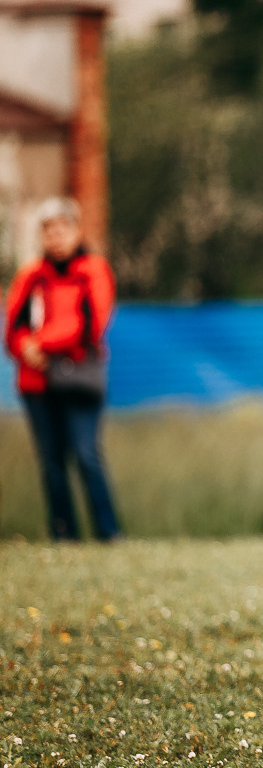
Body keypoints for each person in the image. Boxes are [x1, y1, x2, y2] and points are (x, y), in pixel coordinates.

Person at [3, 197, 122, 541]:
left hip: (78, 377)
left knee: (86, 453)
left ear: (76, 231)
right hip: (37, 381)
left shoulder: (93, 270)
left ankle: (108, 531)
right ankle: (64, 533)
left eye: (61, 229)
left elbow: (89, 325)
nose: (55, 237)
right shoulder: (31, 277)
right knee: (51, 461)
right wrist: (26, 348)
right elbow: (13, 327)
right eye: (48, 230)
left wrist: (41, 344)